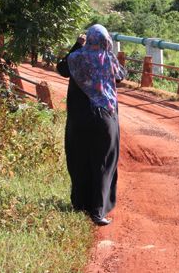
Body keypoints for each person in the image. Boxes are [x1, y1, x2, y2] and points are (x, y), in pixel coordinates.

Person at [57, 24, 126, 226]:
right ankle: (98, 212)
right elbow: (121, 75)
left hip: (79, 121)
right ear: (106, 42)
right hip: (105, 119)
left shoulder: (76, 58)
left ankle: (80, 205)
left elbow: (61, 68)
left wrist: (77, 46)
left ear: (87, 39)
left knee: (79, 161)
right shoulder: (109, 60)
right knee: (104, 163)